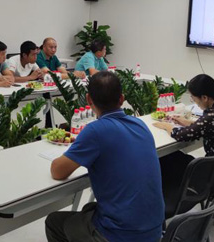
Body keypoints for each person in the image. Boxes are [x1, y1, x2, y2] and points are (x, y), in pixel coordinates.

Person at [46, 72, 164, 242]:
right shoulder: (139, 124)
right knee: (89, 209)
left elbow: (57, 172)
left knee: (54, 221)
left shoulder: (95, 131)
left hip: (121, 234)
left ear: (88, 99)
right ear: (122, 99)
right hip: (154, 229)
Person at [154, 74, 214, 196]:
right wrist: (186, 122)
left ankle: (169, 198)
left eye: (194, 99)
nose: (195, 102)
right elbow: (210, 125)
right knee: (175, 158)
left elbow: (183, 135)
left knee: (167, 160)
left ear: (204, 98)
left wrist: (166, 126)